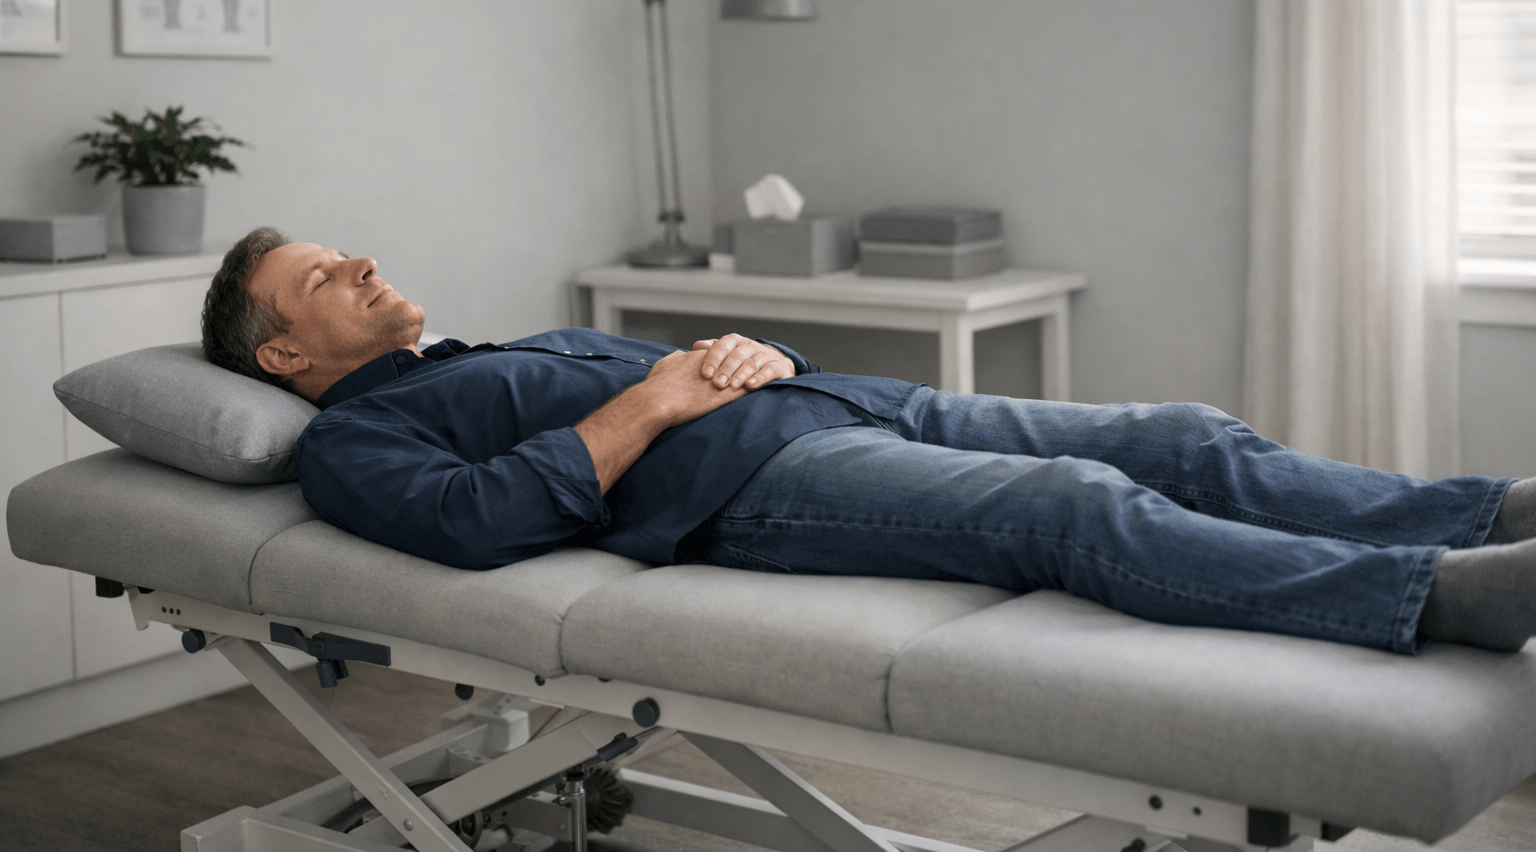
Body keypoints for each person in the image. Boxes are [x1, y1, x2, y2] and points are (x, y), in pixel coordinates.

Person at [202, 227, 1536, 656]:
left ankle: (1477, 516)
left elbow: (683, 375)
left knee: (1173, 432)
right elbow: (476, 523)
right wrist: (659, 400)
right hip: (759, 488)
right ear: (285, 360)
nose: (362, 263)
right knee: (1074, 504)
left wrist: (755, 356)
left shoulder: (469, 357)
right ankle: (1432, 601)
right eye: (325, 278)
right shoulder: (353, 442)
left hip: (835, 402)